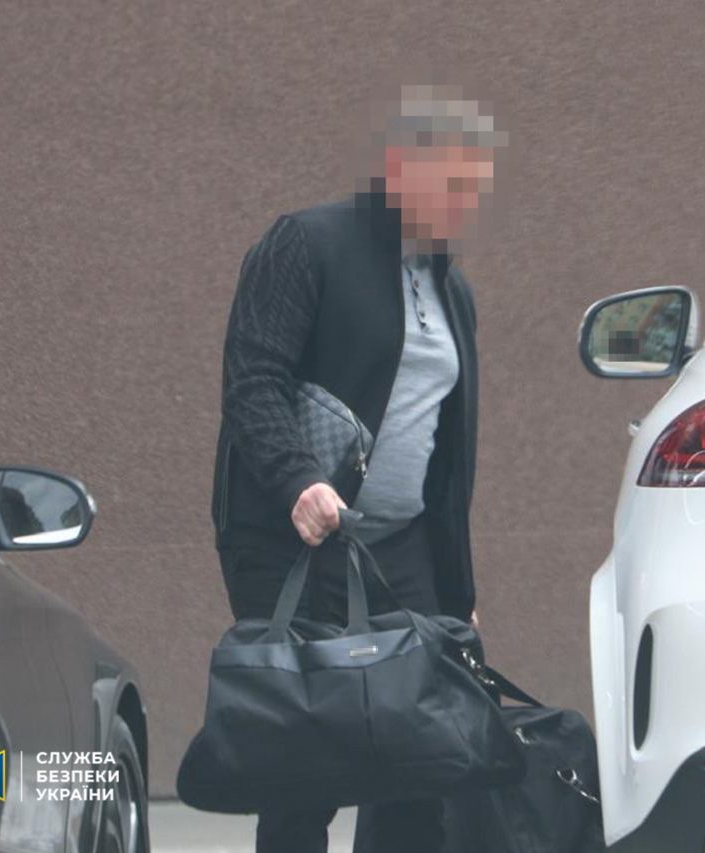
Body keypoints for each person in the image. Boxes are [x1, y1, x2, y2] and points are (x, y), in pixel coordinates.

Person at [209, 84, 502, 853]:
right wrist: (298, 480)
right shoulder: (308, 243)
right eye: (453, 181)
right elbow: (253, 378)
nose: (466, 202)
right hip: (296, 540)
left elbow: (447, 458)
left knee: (418, 757)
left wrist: (456, 589)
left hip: (401, 549)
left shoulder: (452, 291)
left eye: (474, 186)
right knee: (305, 764)